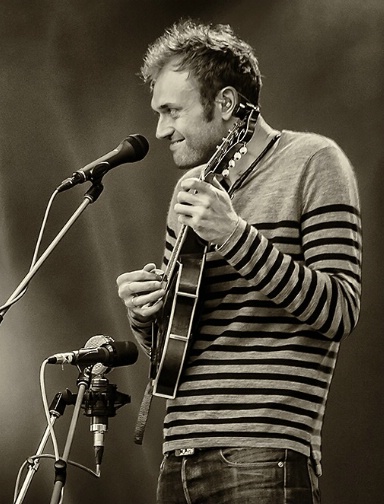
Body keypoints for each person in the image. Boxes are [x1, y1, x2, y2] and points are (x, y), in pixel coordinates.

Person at [115, 20, 361, 504]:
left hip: (264, 452)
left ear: (225, 104)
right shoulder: (190, 190)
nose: (161, 130)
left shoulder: (314, 161)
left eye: (172, 111)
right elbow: (175, 345)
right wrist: (145, 315)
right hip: (178, 453)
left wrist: (234, 235)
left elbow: (339, 310)